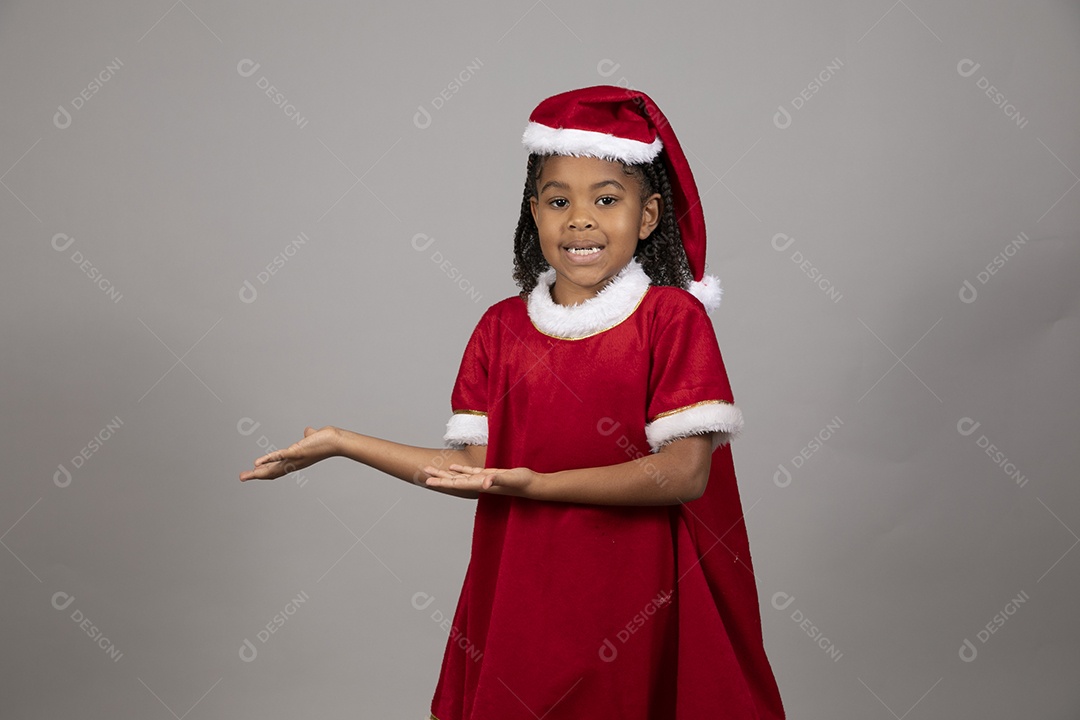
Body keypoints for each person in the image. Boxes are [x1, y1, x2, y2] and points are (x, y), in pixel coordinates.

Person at [240, 85, 786, 720]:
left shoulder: (670, 319)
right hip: (522, 597)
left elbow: (685, 473)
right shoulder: (501, 329)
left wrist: (534, 487)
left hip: (639, 599)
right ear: (535, 212)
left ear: (649, 215)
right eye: (559, 201)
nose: (580, 219)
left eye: (607, 199)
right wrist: (341, 442)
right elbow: (474, 469)